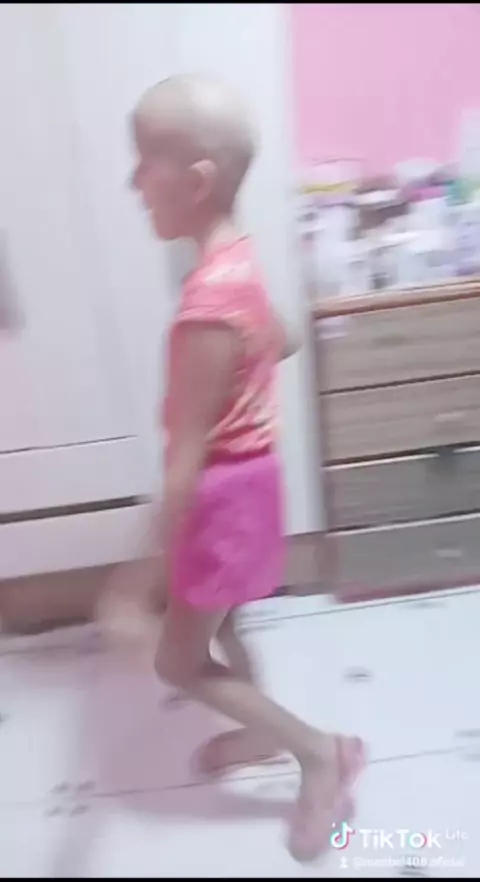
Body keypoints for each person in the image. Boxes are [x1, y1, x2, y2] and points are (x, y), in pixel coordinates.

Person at [99, 73, 364, 862]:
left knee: (178, 660)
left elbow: (182, 467)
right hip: (253, 488)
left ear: (197, 180)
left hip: (218, 500)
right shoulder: (237, 264)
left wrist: (131, 586)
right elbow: (282, 338)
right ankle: (262, 733)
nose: (133, 182)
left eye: (145, 162)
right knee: (231, 620)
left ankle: (318, 752)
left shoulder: (204, 312)